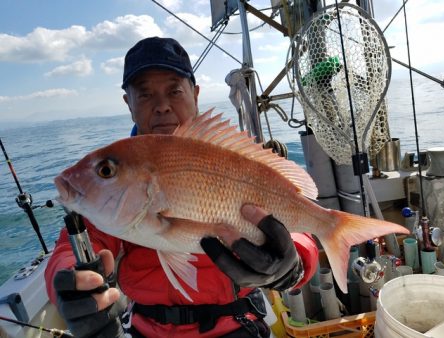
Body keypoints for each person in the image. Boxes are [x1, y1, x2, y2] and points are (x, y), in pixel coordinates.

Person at [45, 37, 319, 338]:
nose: (162, 106)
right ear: (129, 103)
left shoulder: (236, 156)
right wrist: (70, 282)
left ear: (196, 94)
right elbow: (72, 248)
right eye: (145, 94)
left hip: (237, 323)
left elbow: (294, 223)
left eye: (174, 91)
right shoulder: (118, 176)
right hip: (146, 329)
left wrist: (294, 264)